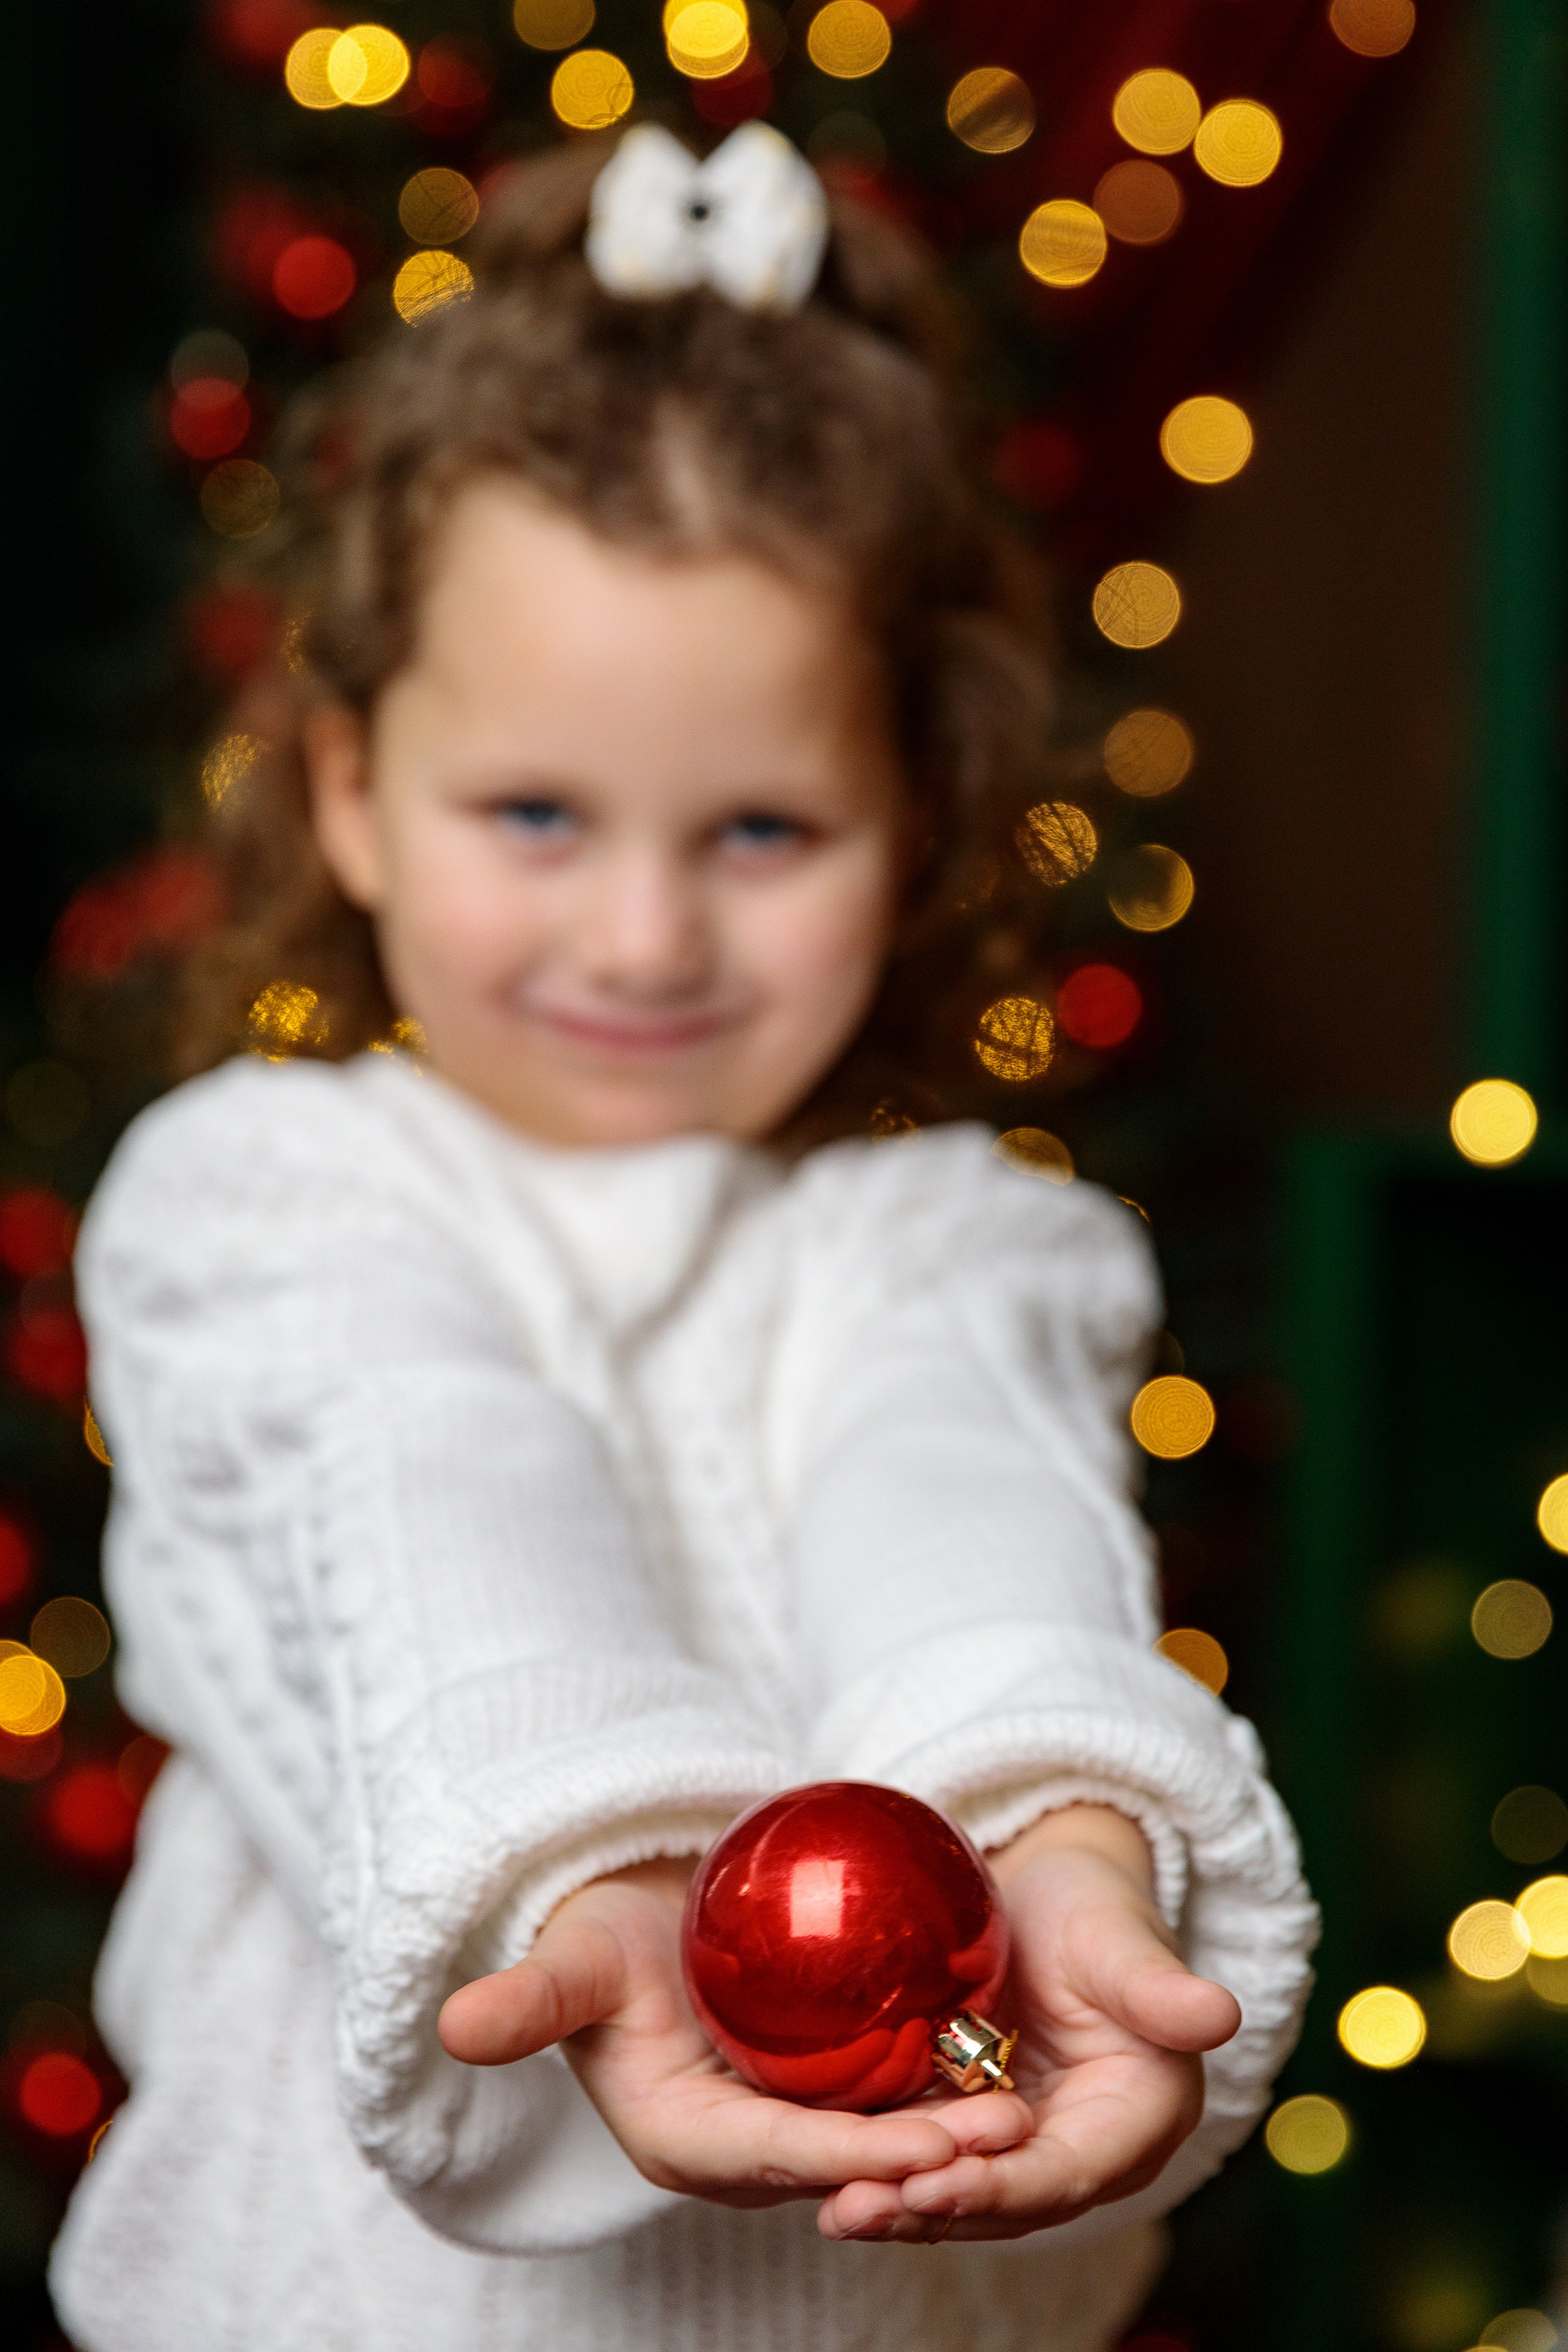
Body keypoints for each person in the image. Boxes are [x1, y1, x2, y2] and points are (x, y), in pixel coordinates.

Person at [51, 123, 1316, 2352]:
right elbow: (419, 1473)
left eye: (761, 828)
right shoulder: (265, 1202)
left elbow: (957, 1507)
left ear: (917, 823)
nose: (642, 934)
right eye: (535, 813)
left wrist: (1064, 1848)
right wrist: (588, 1872)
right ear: (347, 784)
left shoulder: (959, 1245)